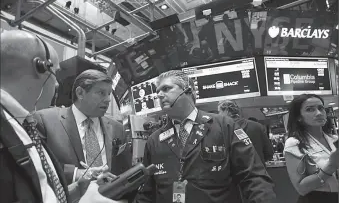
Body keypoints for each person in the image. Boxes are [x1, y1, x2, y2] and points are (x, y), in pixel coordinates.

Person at [0, 30, 123, 202]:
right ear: (40, 66)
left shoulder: (20, 124)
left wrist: (78, 189)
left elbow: (40, 192)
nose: (57, 84)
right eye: (55, 74)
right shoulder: (36, 121)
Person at [135, 70, 276, 203]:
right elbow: (147, 193)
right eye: (157, 91)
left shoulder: (224, 125)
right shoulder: (154, 140)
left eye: (166, 89)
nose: (159, 95)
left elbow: (253, 176)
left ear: (189, 91)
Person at [32, 69, 131, 186]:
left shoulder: (117, 128)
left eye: (109, 93)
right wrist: (76, 174)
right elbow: (36, 164)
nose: (108, 99)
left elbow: (124, 171)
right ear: (80, 93)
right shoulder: (45, 120)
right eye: (101, 93)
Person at [284, 94, 339, 203]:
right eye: (310, 109)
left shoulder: (334, 139)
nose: (318, 113)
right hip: (316, 199)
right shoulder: (294, 143)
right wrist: (331, 166)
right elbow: (301, 188)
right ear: (299, 117)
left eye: (321, 108)